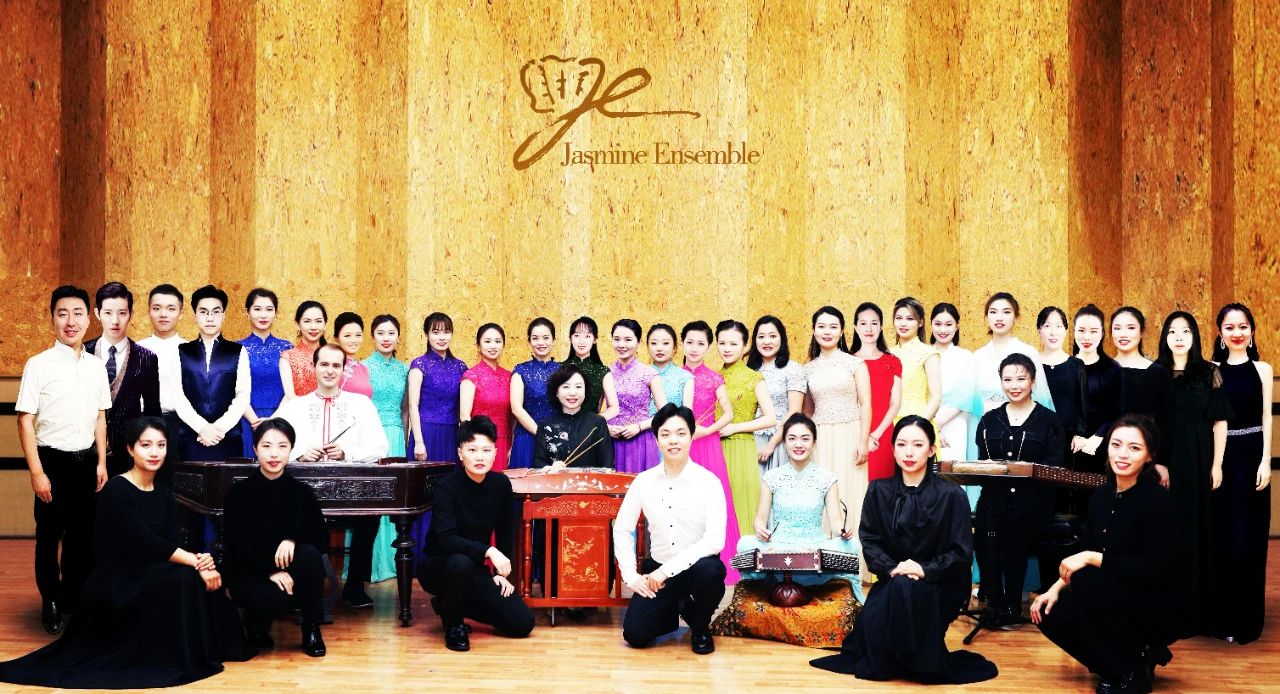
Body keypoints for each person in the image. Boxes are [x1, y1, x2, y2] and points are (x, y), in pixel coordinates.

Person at [0, 417, 254, 688]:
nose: (154, 452)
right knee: (185, 577)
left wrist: (203, 563)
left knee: (198, 578)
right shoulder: (116, 490)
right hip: (119, 580)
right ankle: (170, 656)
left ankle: (204, 650)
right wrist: (195, 562)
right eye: (146, 445)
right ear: (131, 449)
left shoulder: (163, 494)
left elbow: (172, 541)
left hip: (151, 570)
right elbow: (144, 542)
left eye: (161, 445)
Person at [810, 416, 997, 684]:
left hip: (940, 582)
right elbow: (870, 541)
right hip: (893, 578)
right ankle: (909, 660)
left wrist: (923, 569)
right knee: (896, 594)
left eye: (918, 445)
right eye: (902, 444)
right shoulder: (878, 490)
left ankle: (906, 662)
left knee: (904, 593)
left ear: (931, 450)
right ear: (893, 449)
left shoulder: (952, 494)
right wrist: (894, 568)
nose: (909, 452)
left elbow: (961, 552)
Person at [1032, 415, 1176, 693]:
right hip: (1110, 592)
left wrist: (1090, 558)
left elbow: (1154, 570)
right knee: (1047, 611)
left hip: (1150, 599)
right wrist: (1054, 589)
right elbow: (1089, 548)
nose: (1122, 454)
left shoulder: (1158, 501)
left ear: (1149, 456)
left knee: (1086, 581)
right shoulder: (1102, 494)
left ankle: (1134, 673)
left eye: (1134, 448)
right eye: (1116, 444)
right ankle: (1126, 663)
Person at [16, 285, 111, 634]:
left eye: (77, 313)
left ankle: (73, 595)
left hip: (87, 462)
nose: (70, 321)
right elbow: (24, 420)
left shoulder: (96, 367)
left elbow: (100, 417)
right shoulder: (38, 365)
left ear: (89, 319)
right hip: (51, 462)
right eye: (62, 314)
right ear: (52, 319)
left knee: (82, 538)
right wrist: (37, 472)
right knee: (49, 535)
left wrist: (101, 462)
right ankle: (50, 599)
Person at [274, 343, 389, 607]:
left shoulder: (362, 404)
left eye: (336, 365)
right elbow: (272, 444)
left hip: (349, 492)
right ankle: (299, 585)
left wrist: (348, 452)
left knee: (370, 516)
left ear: (344, 369)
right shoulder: (294, 407)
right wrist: (300, 454)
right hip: (304, 493)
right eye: (324, 364)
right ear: (313, 367)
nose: (329, 370)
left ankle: (355, 586)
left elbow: (380, 447)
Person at [614, 404, 728, 655]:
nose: (673, 440)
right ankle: (675, 607)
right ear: (656, 440)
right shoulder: (643, 481)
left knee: (712, 570)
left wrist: (666, 571)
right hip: (659, 572)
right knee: (635, 634)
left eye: (680, 433)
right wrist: (631, 577)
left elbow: (714, 541)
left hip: (695, 569)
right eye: (665, 434)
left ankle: (700, 626)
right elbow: (621, 529)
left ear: (691, 436)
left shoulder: (709, 482)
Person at [418, 417, 534, 651]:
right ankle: (454, 626)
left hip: (472, 568)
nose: (479, 457)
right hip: (439, 566)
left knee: (521, 623)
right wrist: (489, 551)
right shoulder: (447, 487)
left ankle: (447, 604)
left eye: (486, 450)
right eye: (472, 450)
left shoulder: (500, 484)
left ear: (495, 453)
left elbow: (505, 531)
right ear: (460, 453)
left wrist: (501, 574)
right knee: (460, 562)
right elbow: (446, 539)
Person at [223, 418, 329, 657]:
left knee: (310, 554)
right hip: (251, 571)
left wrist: (292, 539)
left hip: (291, 571)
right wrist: (270, 570)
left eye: (282, 446)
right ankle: (256, 623)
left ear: (291, 449)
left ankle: (311, 628)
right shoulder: (238, 493)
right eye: (266, 446)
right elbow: (236, 546)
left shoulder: (302, 492)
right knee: (271, 598)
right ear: (255, 449)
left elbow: (321, 538)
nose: (274, 454)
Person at [974, 353, 1063, 627]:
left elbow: (1055, 467)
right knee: (985, 528)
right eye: (1008, 379)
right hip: (994, 499)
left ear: (1033, 381)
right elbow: (982, 463)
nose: (1014, 385)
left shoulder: (1049, 420)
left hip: (1033, 502)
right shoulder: (989, 420)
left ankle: (1012, 604)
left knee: (1015, 530)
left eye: (1021, 379)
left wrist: (1027, 470)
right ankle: (994, 602)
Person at [1156, 310, 1229, 638]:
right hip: (1166, 460)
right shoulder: (1156, 373)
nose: (1179, 337)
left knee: (1200, 530)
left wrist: (1217, 464)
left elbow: (1220, 422)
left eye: (1185, 331)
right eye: (1173, 331)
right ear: (1165, 337)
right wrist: (1158, 463)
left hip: (1200, 458)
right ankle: (1170, 613)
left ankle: (1201, 614)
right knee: (1169, 533)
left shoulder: (1209, 372)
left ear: (1195, 337)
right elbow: (1150, 423)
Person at [736, 413, 862, 600]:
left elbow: (836, 523)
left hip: (815, 548)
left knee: (852, 545)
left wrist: (843, 531)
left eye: (805, 438)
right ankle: (781, 578)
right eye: (792, 438)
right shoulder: (771, 477)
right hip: (779, 548)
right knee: (744, 544)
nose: (798, 444)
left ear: (814, 443)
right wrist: (760, 529)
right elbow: (760, 519)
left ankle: (796, 578)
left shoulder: (827, 478)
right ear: (784, 442)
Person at [1210, 302, 1272, 644]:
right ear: (1220, 333)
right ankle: (1223, 619)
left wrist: (1265, 462)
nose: (1237, 333)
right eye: (1230, 327)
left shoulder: (1263, 369)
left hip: (1252, 457)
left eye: (1243, 326)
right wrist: (1214, 465)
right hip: (1223, 458)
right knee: (1224, 538)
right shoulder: (1213, 370)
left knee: (1250, 539)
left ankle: (1248, 621)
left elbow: (1266, 418)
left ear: (1251, 330)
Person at [803, 306, 872, 578]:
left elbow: (866, 403)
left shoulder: (855, 364)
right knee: (821, 495)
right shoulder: (808, 368)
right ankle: (825, 566)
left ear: (842, 331)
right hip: (821, 437)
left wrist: (863, 440)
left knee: (851, 493)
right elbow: (807, 411)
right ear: (813, 330)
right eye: (821, 326)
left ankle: (853, 566)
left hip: (850, 434)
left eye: (833, 326)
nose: (827, 332)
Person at [681, 320, 740, 582]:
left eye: (700, 344)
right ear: (682, 344)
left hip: (707, 443)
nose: (694, 348)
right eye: (690, 342)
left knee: (713, 501)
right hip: (681, 443)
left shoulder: (715, 377)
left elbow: (728, 413)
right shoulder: (675, 375)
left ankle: (719, 565)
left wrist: (707, 430)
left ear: (708, 347)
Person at [84, 281, 161, 477]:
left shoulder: (146, 358)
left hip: (128, 456)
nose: (115, 321)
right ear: (97, 314)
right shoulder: (83, 352)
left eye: (122, 313)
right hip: (84, 452)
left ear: (131, 314)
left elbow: (153, 411)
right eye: (108, 313)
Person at [171, 284, 251, 461]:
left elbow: (242, 395)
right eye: (203, 312)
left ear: (223, 316)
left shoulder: (237, 351)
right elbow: (178, 396)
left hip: (228, 437)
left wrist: (219, 429)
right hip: (191, 437)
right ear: (195, 317)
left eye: (216, 312)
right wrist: (202, 428)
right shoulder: (181, 351)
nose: (210, 318)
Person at [717, 319, 776, 534]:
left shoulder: (753, 378)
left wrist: (735, 428)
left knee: (740, 503)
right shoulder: (714, 377)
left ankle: (743, 554)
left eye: (733, 344)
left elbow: (770, 418)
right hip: (714, 447)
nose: (727, 349)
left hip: (741, 447)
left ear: (744, 347)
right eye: (722, 343)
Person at [364, 314, 410, 581]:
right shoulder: (362, 367)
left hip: (396, 436)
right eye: (380, 333)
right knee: (372, 496)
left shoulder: (404, 369)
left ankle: (394, 563)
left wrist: (404, 440)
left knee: (395, 497)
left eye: (391, 333)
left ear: (398, 337)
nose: (386, 338)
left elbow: (405, 410)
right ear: (373, 336)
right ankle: (369, 564)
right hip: (370, 435)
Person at [1111, 306, 1174, 484]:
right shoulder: (1101, 371)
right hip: (1106, 458)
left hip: (1145, 461)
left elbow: (1167, 422)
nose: (1123, 334)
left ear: (1142, 332)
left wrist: (1162, 462)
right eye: (1117, 328)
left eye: (1130, 328)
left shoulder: (1158, 373)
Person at [973, 292, 1055, 413]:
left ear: (1016, 317)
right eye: (993, 312)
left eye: (1006, 312)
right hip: (984, 419)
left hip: (1021, 419)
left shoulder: (1029, 352)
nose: (999, 317)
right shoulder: (977, 356)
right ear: (986, 317)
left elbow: (1041, 397)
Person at [1071, 304, 1123, 490]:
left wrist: (1097, 437)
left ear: (1102, 334)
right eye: (1081, 330)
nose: (1087, 337)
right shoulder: (1066, 366)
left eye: (1093, 331)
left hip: (1102, 447)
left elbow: (1117, 410)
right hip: (1070, 447)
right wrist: (1075, 435)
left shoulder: (1112, 369)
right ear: (1073, 332)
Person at [137, 283, 188, 471]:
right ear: (149, 311)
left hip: (180, 426)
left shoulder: (190, 351)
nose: (163, 314)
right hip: (141, 424)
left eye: (171, 309)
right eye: (157, 308)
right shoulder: (135, 350)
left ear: (181, 313)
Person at [237, 288, 292, 458]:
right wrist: (254, 421)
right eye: (257, 309)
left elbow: (291, 390)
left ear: (276, 313)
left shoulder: (287, 348)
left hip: (281, 417)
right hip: (247, 419)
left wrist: (274, 419)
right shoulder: (236, 349)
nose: (263, 315)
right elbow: (234, 390)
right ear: (247, 312)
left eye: (269, 309)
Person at [748, 316, 807, 472]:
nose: (767, 341)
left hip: (781, 438)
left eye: (773, 336)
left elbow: (795, 411)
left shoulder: (793, 369)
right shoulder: (749, 370)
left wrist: (772, 444)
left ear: (782, 338)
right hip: (751, 440)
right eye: (761, 337)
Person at [851, 302, 902, 481]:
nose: (869, 328)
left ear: (881, 327)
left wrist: (875, 435)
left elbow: (896, 403)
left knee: (882, 486)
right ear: (855, 327)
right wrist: (862, 437)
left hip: (883, 433)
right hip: (854, 432)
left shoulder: (892, 361)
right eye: (863, 323)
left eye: (874, 323)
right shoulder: (848, 361)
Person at [408, 311, 468, 463]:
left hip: (452, 434)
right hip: (426, 432)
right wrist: (419, 442)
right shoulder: (419, 364)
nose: (442, 337)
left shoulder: (460, 367)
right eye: (436, 332)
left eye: (446, 332)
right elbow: (412, 405)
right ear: (426, 334)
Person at [608, 319, 666, 473]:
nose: (621, 345)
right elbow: (594, 413)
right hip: (610, 441)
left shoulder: (649, 373)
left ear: (638, 342)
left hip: (641, 442)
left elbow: (665, 414)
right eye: (617, 339)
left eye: (628, 340)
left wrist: (639, 427)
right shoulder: (605, 373)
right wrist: (606, 428)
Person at [532, 364, 614, 470]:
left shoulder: (598, 422)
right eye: (566, 387)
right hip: (557, 480)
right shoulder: (545, 425)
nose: (572, 393)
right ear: (556, 392)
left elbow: (607, 464)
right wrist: (550, 467)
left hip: (590, 480)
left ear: (585, 391)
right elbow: (538, 462)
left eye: (578, 387)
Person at [460, 323, 514, 471]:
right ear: (479, 345)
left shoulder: (509, 377)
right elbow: (464, 416)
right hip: (479, 444)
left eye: (498, 341)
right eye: (487, 341)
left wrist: (512, 445)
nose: (493, 346)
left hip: (504, 443)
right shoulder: (471, 376)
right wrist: (472, 447)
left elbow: (513, 416)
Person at [931, 302, 979, 463]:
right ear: (931, 325)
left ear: (957, 326)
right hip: (925, 420)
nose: (942, 330)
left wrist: (937, 424)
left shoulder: (966, 357)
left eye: (948, 324)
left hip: (954, 422)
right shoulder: (924, 354)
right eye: (938, 324)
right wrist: (929, 425)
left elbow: (966, 396)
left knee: (953, 471)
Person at [509, 317, 559, 469]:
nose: (541, 343)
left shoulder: (563, 370)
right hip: (527, 438)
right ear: (529, 342)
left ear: (554, 340)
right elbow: (516, 408)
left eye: (546, 338)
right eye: (535, 338)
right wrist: (542, 434)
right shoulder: (520, 370)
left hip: (557, 438)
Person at [890, 296, 942, 421]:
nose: (903, 323)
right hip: (888, 425)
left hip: (917, 423)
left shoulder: (929, 354)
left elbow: (936, 398)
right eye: (899, 318)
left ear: (920, 322)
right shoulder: (887, 354)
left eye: (910, 319)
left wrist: (917, 426)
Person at [564, 316, 619, 419]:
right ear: (570, 339)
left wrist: (592, 422)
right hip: (562, 427)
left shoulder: (603, 371)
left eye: (587, 336)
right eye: (576, 335)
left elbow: (614, 408)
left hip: (591, 428)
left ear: (595, 340)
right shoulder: (559, 368)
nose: (581, 341)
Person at [278, 300, 327, 400]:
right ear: (297, 325)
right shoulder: (288, 357)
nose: (313, 327)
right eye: (307, 321)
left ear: (325, 324)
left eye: (318, 321)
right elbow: (290, 396)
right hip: (298, 408)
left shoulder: (334, 355)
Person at [648, 322, 694, 410]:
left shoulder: (685, 378)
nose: (659, 348)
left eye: (665, 343)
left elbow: (687, 414)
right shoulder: (640, 374)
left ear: (674, 347)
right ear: (647, 346)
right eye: (654, 343)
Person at [333, 312, 373, 398]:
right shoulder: (333, 366)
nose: (354, 340)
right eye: (347, 336)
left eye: (358, 335)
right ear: (336, 339)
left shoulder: (364, 369)